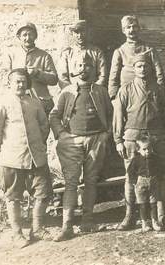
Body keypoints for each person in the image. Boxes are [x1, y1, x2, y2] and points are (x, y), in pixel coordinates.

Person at [0, 68, 52, 248]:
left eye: (23, 81)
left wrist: (39, 145)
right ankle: (17, 234)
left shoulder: (34, 102)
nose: (21, 84)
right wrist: (5, 150)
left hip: (36, 157)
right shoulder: (2, 103)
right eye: (17, 81)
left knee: (43, 192)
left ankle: (37, 228)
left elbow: (44, 126)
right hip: (11, 159)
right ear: (10, 83)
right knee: (13, 197)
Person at [50, 52, 112, 241]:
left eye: (87, 65)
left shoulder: (100, 90)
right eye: (79, 65)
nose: (83, 68)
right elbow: (54, 115)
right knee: (71, 183)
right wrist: (61, 133)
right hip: (72, 141)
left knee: (91, 180)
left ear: (93, 69)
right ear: (73, 70)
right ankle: (67, 226)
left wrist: (106, 134)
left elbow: (111, 114)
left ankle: (87, 220)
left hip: (96, 140)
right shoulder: (67, 91)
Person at [113, 51, 165, 231]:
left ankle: (161, 216)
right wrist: (118, 140)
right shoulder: (126, 89)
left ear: (150, 67)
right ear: (133, 68)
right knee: (132, 177)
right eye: (138, 66)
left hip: (156, 137)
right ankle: (130, 215)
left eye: (145, 65)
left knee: (159, 176)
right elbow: (118, 116)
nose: (142, 69)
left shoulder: (159, 90)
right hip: (132, 138)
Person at [3, 21, 58, 116]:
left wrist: (37, 73)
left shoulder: (44, 56)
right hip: (17, 102)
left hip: (40, 102)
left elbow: (54, 79)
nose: (27, 38)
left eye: (31, 35)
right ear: (19, 37)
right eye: (24, 35)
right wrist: (15, 77)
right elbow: (3, 76)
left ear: (35, 37)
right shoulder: (11, 55)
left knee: (41, 129)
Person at [108, 15, 165, 100]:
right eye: (128, 27)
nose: (132, 30)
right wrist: (113, 97)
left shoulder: (149, 49)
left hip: (147, 93)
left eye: (134, 26)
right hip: (127, 94)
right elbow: (113, 77)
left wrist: (160, 92)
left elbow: (159, 73)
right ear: (123, 30)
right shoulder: (119, 52)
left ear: (139, 29)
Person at [127, 137, 165, 232]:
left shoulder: (155, 159)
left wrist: (159, 178)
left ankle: (154, 221)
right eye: (144, 149)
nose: (147, 151)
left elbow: (160, 169)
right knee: (142, 204)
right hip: (140, 183)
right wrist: (134, 181)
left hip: (153, 183)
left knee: (153, 204)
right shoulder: (136, 160)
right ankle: (144, 222)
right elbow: (130, 172)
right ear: (138, 150)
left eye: (149, 148)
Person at [59, 20, 107, 89]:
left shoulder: (96, 52)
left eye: (82, 32)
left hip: (92, 92)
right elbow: (62, 77)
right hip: (73, 93)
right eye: (76, 32)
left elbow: (102, 76)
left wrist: (94, 90)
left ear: (87, 32)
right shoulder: (67, 53)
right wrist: (71, 90)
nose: (80, 35)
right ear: (72, 33)